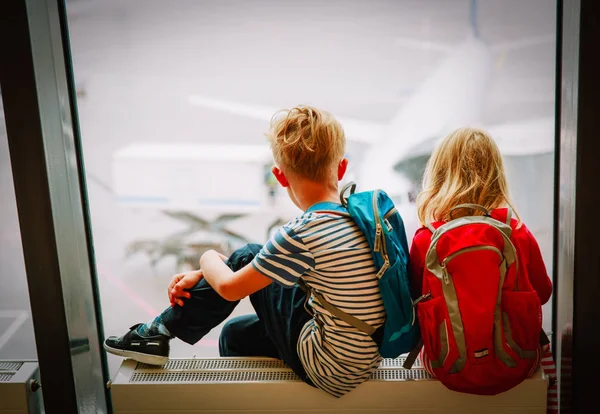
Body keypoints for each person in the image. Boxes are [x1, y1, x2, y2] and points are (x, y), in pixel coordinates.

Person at [104, 106, 386, 398]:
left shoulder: (301, 233)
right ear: (342, 167)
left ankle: (156, 332)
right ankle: (160, 334)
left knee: (251, 253)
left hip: (330, 366)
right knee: (235, 334)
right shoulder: (358, 217)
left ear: (280, 176)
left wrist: (207, 258)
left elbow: (229, 287)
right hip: (366, 353)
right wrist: (205, 276)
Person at [408, 127, 555, 410]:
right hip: (518, 359)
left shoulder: (426, 238)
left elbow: (416, 300)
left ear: (439, 175)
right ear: (497, 176)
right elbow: (544, 292)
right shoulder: (516, 232)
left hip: (444, 362)